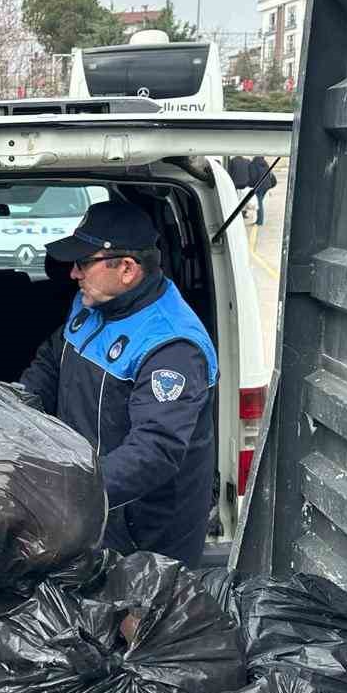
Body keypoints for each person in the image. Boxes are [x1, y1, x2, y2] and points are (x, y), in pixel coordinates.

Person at [18, 200, 220, 566]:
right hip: (91, 506)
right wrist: (13, 408)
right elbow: (53, 357)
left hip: (143, 536)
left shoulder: (172, 346)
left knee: (137, 622)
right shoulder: (94, 302)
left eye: (82, 263)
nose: (74, 274)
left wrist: (69, 490)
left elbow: (154, 451)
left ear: (126, 269)